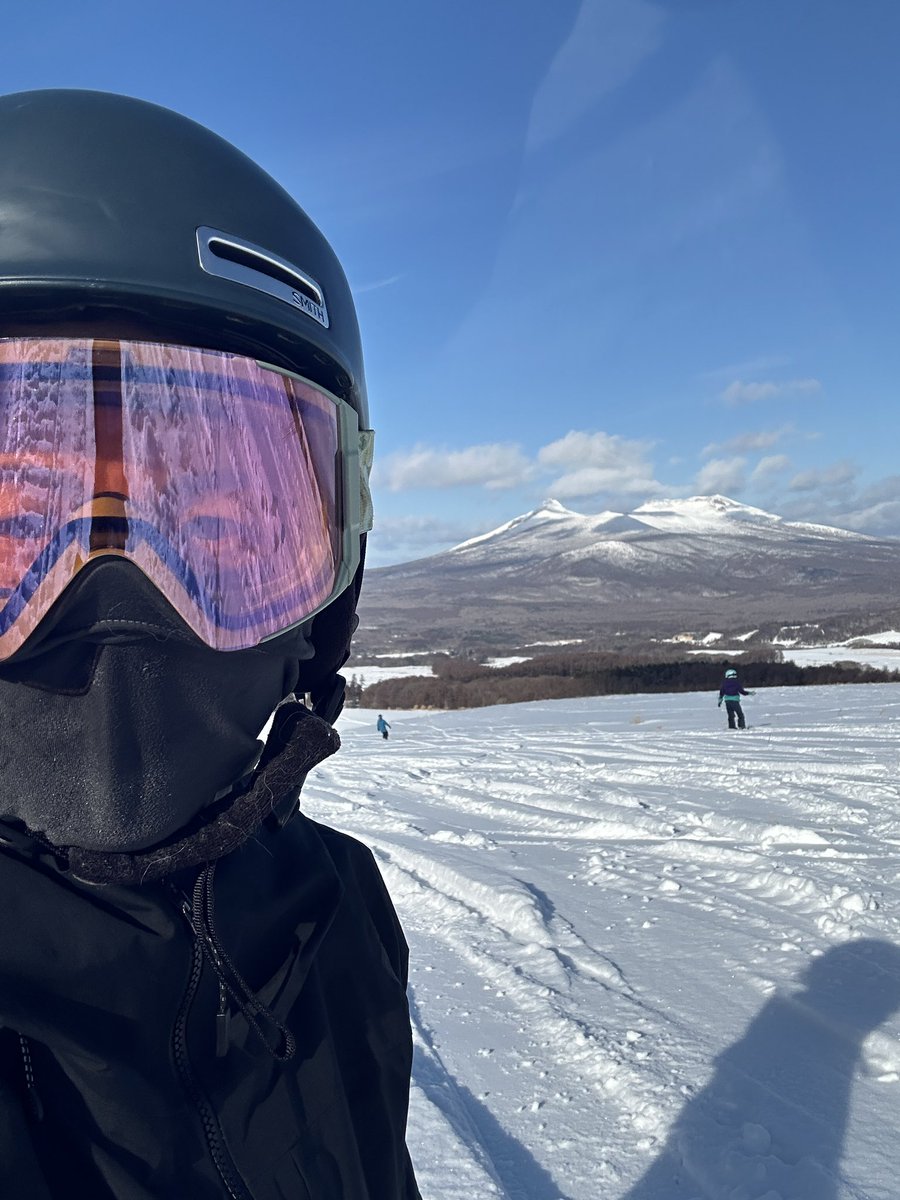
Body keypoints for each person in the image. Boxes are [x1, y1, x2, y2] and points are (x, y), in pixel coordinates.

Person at [0, 89, 420, 1200]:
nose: (113, 603)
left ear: (326, 592)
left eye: (225, 527)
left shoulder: (336, 919)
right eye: (13, 527)